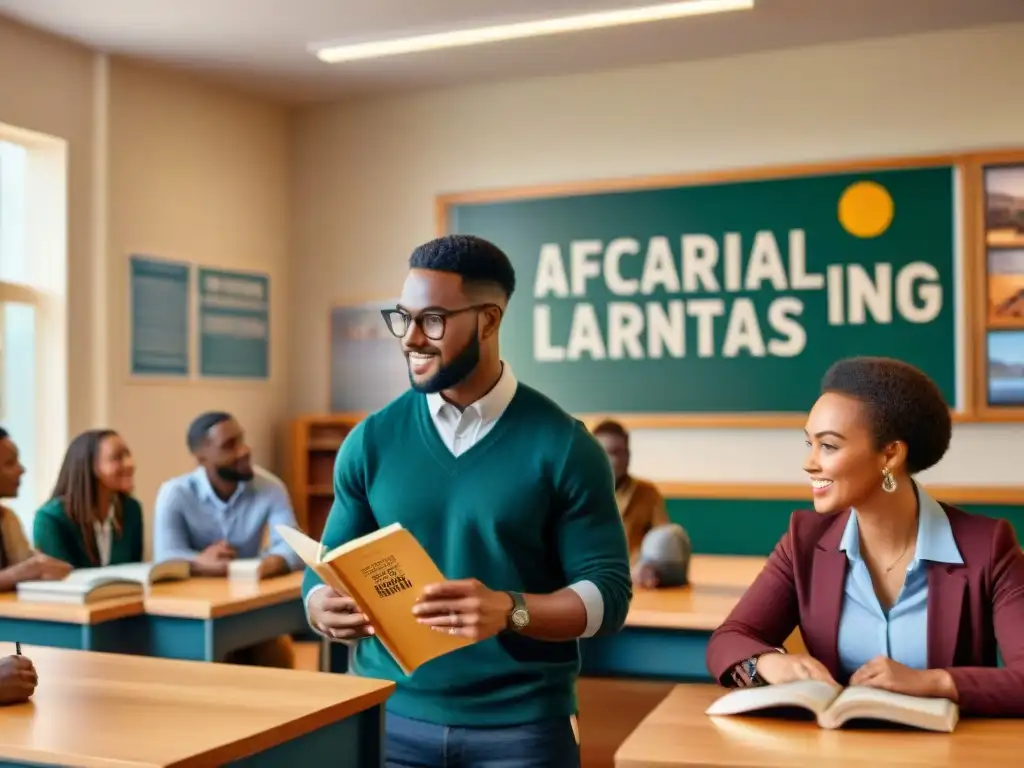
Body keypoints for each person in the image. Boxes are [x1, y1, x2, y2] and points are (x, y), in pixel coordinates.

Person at [304, 234, 632, 767]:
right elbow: (325, 567)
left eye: (432, 320)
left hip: (522, 731)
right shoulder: (370, 441)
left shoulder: (566, 447)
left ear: (488, 321)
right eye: (402, 318)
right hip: (384, 714)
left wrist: (512, 610)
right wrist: (321, 606)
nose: (410, 338)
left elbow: (608, 597)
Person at [706, 357, 1024, 716]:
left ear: (889, 455)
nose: (809, 463)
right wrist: (768, 664)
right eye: (808, 444)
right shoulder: (804, 540)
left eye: (828, 446)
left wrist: (933, 682)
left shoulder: (988, 546)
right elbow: (729, 639)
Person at [153, 411, 302, 668]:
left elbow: (293, 545)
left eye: (241, 440)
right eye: (229, 446)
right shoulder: (175, 493)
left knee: (276, 656)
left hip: (251, 607)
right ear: (202, 458)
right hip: (195, 613)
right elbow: (165, 557)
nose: (244, 451)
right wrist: (199, 563)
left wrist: (273, 562)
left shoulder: (270, 487)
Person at [592, 419, 691, 588]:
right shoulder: (573, 493)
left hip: (635, 584)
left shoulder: (647, 493)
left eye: (619, 452)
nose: (614, 460)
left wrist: (651, 567)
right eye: (607, 452)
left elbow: (664, 540)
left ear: (628, 455)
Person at [33, 430, 143, 569]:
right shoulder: (51, 519)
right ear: (90, 466)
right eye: (117, 457)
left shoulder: (131, 510)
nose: (130, 464)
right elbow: (59, 582)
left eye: (128, 455)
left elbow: (135, 572)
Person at [0, 428, 70, 589]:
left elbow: (27, 566)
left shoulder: (7, 519)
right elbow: (25, 570)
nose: (22, 470)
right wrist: (22, 572)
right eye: (10, 463)